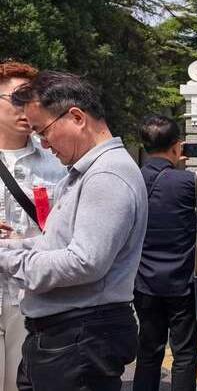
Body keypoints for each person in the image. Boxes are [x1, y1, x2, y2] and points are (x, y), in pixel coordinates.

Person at [1, 72, 148, 391]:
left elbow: (84, 262)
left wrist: (10, 261)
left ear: (77, 117)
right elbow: (55, 243)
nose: (43, 143)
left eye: (44, 131)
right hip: (69, 337)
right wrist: (10, 249)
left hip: (78, 338)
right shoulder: (88, 171)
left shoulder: (107, 174)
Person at [133, 115, 197, 391]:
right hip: (184, 283)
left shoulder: (132, 179)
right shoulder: (190, 181)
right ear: (177, 146)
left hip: (143, 282)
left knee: (148, 351)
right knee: (185, 355)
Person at [0, 61, 65, 391]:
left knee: (24, 382)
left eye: (33, 97)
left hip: (32, 295)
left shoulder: (57, 162)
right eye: (17, 97)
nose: (27, 106)